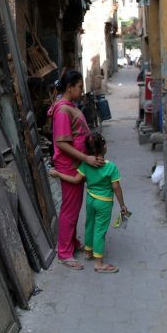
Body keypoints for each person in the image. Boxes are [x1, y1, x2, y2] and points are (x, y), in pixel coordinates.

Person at [47, 70, 105, 270]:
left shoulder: (69, 106)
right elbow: (62, 143)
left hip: (75, 163)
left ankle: (71, 242)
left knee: (74, 206)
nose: (82, 90)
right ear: (70, 87)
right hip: (69, 164)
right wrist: (86, 158)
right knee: (70, 209)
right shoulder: (63, 111)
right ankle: (64, 253)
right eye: (79, 87)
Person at [49, 132, 128, 273]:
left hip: (90, 200)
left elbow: (75, 180)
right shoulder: (111, 167)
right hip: (104, 202)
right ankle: (99, 263)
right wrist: (122, 204)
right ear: (104, 148)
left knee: (89, 224)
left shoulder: (85, 165)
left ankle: (88, 252)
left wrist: (58, 174)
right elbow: (116, 187)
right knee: (100, 230)